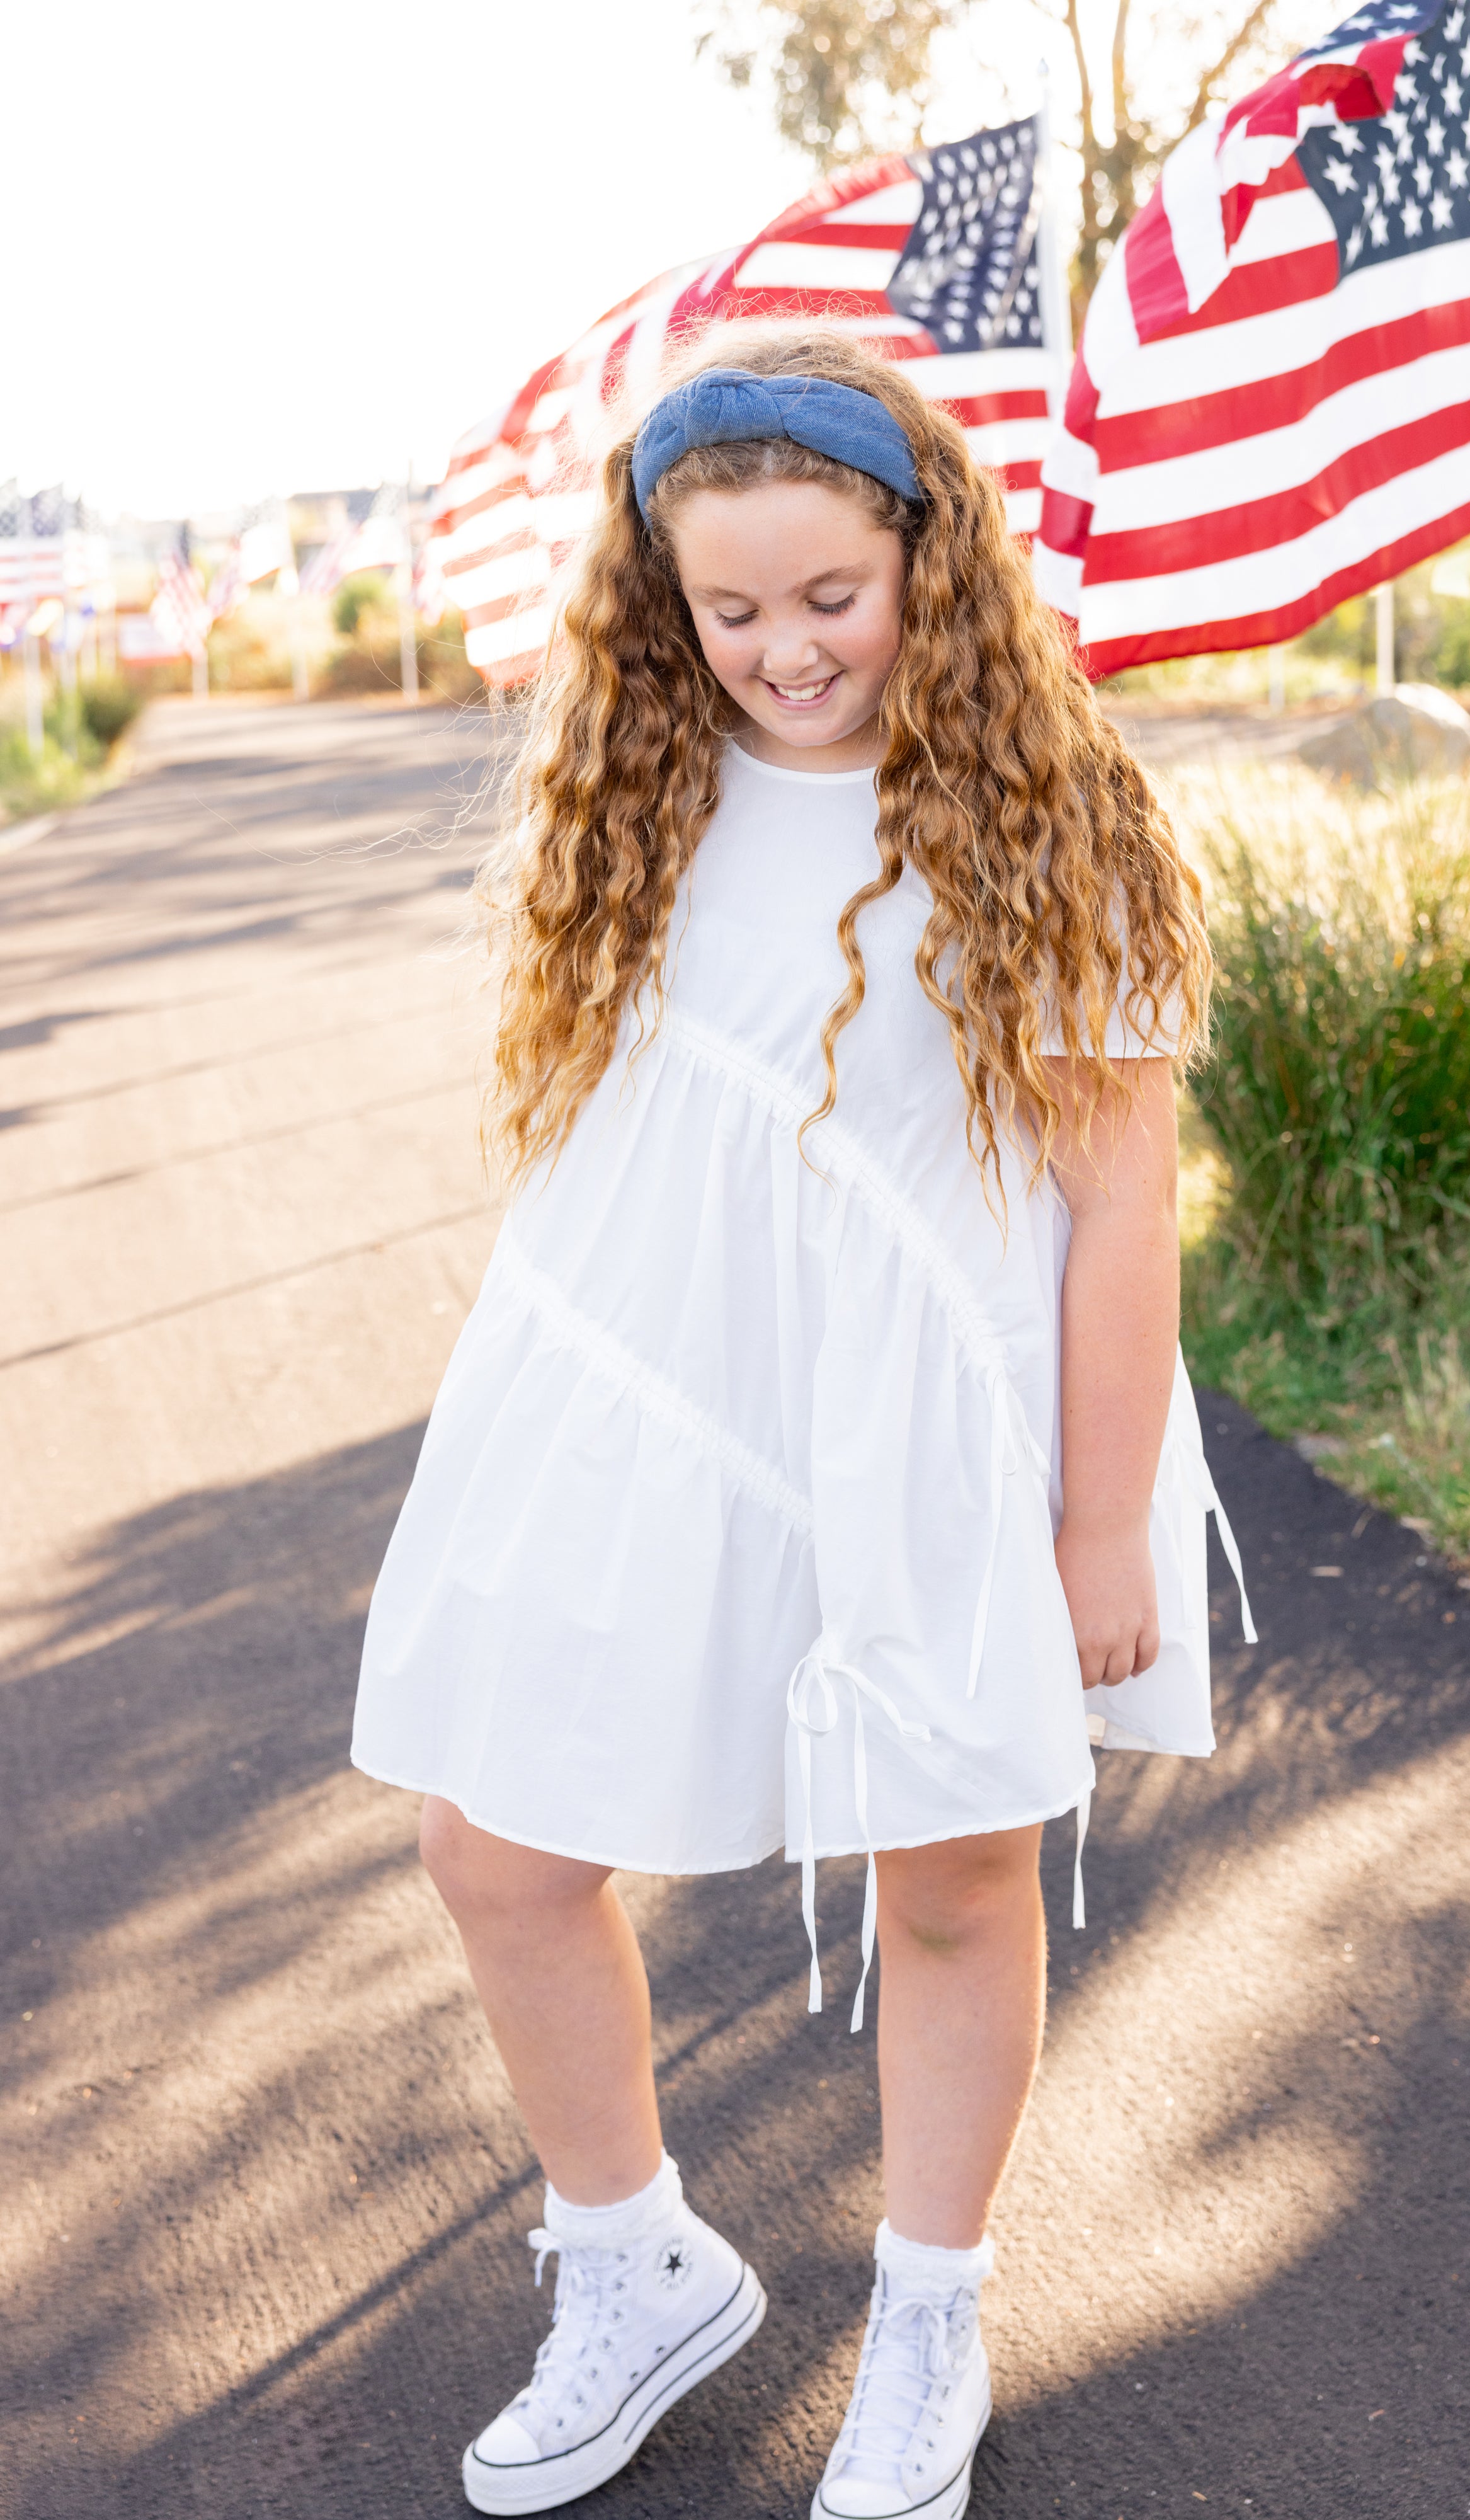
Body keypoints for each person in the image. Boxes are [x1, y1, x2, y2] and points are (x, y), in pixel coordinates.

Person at [351, 328, 1248, 2520]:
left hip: (939, 1411)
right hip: (644, 1380)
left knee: (949, 1871)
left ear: (927, 558)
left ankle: (928, 2308)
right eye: (725, 610)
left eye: (829, 598)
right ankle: (634, 2262)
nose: (780, 654)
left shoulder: (1060, 810)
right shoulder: (634, 780)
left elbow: (1118, 1196)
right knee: (496, 1841)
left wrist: (1100, 1518)